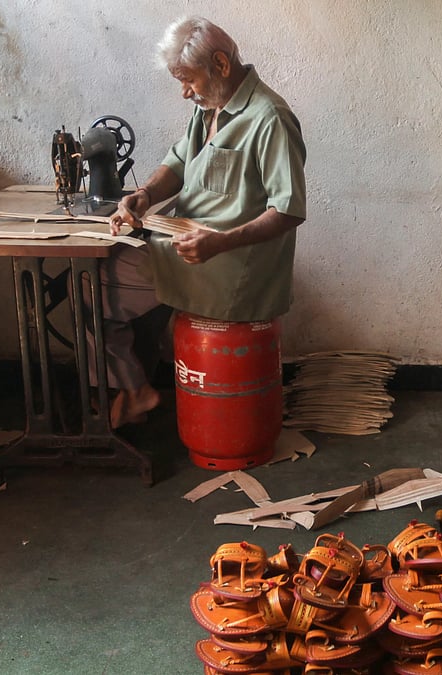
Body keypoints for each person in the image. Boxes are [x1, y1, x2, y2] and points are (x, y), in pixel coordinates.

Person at [95, 15, 307, 428]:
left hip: (229, 264)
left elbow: (288, 210)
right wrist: (145, 196)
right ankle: (135, 386)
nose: (184, 92)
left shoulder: (269, 118)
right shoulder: (212, 108)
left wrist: (219, 242)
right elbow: (177, 162)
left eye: (188, 80)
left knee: (91, 285)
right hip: (193, 248)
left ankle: (134, 390)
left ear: (221, 65)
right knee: (113, 270)